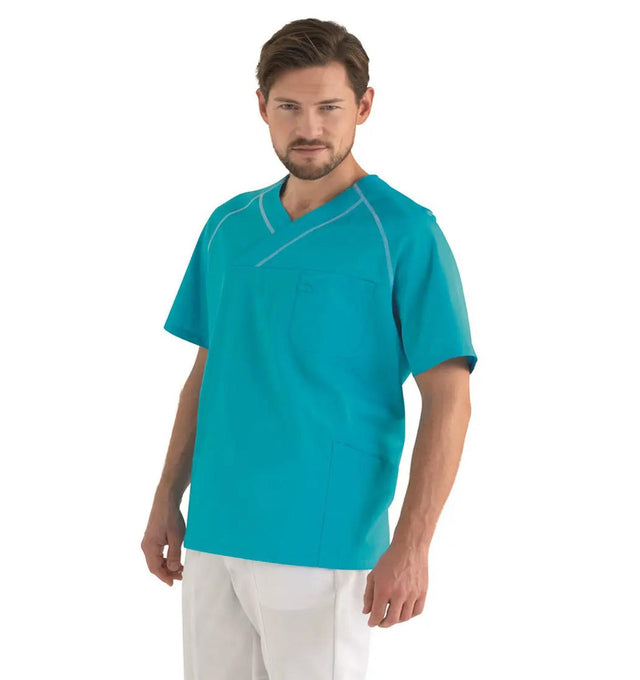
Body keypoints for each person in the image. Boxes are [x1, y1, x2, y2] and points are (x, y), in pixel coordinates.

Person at [141, 17, 478, 680]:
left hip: (324, 540)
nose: (309, 127)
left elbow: (450, 398)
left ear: (364, 105)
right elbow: (208, 372)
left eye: (329, 107)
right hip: (215, 532)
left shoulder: (404, 232)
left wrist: (413, 544)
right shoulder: (229, 226)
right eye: (290, 107)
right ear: (262, 107)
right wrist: (165, 498)